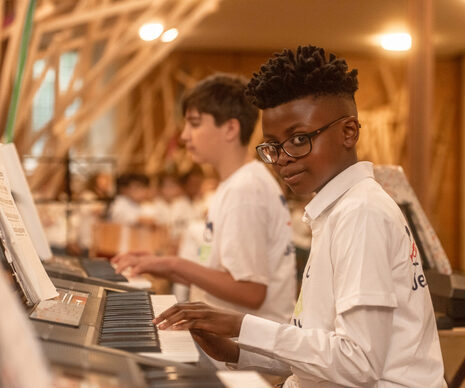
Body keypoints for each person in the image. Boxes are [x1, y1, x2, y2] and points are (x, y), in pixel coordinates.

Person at [153, 46, 446, 387]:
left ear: (348, 133)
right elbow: (318, 344)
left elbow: (359, 362)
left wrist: (240, 326)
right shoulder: (337, 209)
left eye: (298, 139)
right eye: (273, 146)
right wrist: (234, 350)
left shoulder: (361, 212)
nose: (282, 158)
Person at [112, 74, 296, 324]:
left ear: (230, 128)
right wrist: (160, 263)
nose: (185, 136)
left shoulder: (245, 189)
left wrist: (176, 265)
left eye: (195, 124)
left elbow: (251, 292)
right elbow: (220, 275)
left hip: (250, 352)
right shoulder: (235, 183)